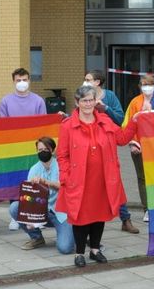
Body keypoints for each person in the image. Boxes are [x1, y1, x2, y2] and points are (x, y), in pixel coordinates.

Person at [57, 85, 142, 267]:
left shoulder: (105, 121)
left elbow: (122, 139)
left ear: (96, 101)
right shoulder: (67, 127)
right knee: (80, 217)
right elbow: (62, 155)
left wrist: (134, 121)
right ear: (77, 102)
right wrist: (66, 177)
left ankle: (95, 250)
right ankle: (79, 253)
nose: (88, 104)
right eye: (84, 100)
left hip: (103, 180)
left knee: (99, 215)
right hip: (79, 181)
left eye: (91, 100)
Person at [0, 67, 47, 231]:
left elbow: (43, 125)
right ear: (13, 81)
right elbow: (2, 126)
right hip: (13, 149)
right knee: (15, 181)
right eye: (18, 80)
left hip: (33, 149)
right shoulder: (6, 101)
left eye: (24, 79)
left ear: (29, 80)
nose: (22, 83)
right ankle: (16, 215)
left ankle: (36, 213)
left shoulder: (38, 100)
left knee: (34, 180)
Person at [8, 136, 75, 254]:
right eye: (39, 150)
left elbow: (65, 186)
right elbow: (29, 195)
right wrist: (29, 218)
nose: (42, 152)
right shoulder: (34, 169)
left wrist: (45, 182)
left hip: (62, 213)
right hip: (41, 211)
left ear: (52, 150)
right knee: (15, 207)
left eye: (45, 149)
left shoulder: (62, 166)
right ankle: (36, 238)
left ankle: (75, 233)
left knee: (65, 248)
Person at [121, 75, 154, 225]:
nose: (146, 87)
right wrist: (133, 142)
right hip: (139, 147)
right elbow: (127, 123)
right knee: (142, 178)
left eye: (149, 84)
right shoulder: (135, 102)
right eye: (143, 84)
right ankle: (147, 208)